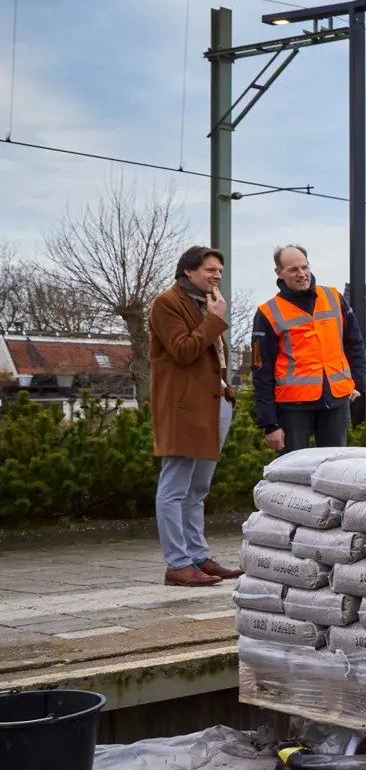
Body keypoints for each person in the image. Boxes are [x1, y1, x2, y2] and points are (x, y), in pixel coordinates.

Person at [149, 246, 242, 587]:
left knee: (198, 488)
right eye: (210, 269)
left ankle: (198, 557)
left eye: (219, 270)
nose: (217, 275)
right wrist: (215, 319)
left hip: (214, 403)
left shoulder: (203, 304)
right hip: (184, 408)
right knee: (174, 486)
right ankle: (177, 563)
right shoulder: (167, 303)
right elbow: (184, 350)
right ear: (188, 271)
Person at [252, 244, 365, 454]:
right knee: (293, 470)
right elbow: (261, 369)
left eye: (305, 267)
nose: (302, 274)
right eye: (294, 269)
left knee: (334, 468)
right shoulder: (268, 313)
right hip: (293, 406)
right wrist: (269, 423)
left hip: (336, 399)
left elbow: (355, 344)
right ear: (279, 273)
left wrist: (357, 382)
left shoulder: (333, 298)